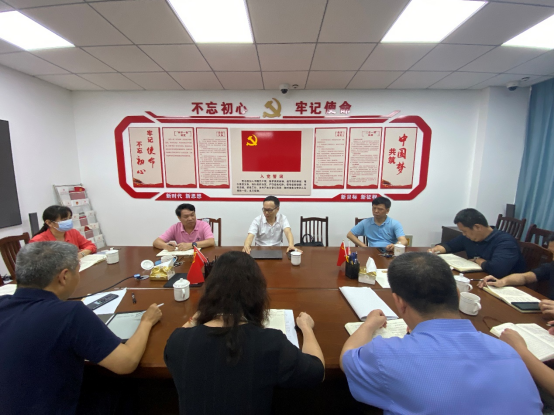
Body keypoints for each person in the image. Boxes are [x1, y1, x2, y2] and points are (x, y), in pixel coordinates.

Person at [340, 252, 542, 415]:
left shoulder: (386, 355)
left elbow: (347, 357)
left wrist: (369, 324)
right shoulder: (508, 353)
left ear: (399, 302)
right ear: (458, 295)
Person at [0, 242, 162, 415]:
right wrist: (146, 321)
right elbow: (126, 363)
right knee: (125, 387)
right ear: (64, 277)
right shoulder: (70, 313)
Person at [164, 251, 325, 415]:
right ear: (257, 294)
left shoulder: (178, 343)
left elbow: (182, 331)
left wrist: (200, 314)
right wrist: (306, 327)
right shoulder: (270, 343)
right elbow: (318, 371)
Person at [430, 208, 527, 278]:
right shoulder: (469, 237)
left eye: (465, 231)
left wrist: (478, 260)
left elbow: (497, 270)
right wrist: (436, 249)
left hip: (505, 287)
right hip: (479, 279)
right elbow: (450, 245)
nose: (464, 234)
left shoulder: (505, 242)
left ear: (477, 227)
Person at [479, 233, 554, 317]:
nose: (553, 258)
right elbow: (525, 277)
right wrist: (502, 281)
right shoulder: (551, 266)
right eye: (552, 253)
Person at [30, 205, 97, 259]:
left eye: (69, 218)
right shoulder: (37, 241)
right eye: (64, 219)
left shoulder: (73, 232)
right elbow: (35, 265)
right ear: (49, 223)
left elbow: (91, 246)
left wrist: (81, 254)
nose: (69, 221)